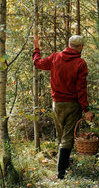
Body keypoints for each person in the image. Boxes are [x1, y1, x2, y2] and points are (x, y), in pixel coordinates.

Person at [32, 35, 93, 179]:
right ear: (80, 47)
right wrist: (86, 109)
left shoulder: (55, 57)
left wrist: (36, 49)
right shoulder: (80, 63)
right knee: (67, 137)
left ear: (69, 44)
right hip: (72, 104)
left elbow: (38, 63)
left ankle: (64, 165)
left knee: (62, 136)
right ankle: (60, 174)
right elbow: (81, 89)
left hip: (57, 104)